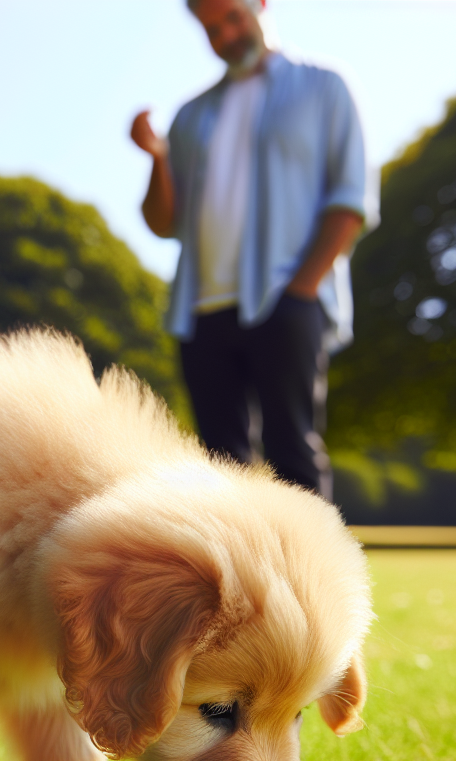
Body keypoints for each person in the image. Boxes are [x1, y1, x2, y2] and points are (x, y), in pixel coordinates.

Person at [131, 0, 375, 499]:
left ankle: (314, 581)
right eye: (211, 28)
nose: (225, 35)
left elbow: (351, 198)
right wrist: (158, 158)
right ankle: (234, 581)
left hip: (284, 298)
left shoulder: (324, 86)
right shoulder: (190, 115)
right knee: (221, 470)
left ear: (261, 4)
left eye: (233, 18)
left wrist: (301, 290)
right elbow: (163, 223)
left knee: (293, 457)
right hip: (201, 310)